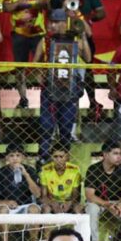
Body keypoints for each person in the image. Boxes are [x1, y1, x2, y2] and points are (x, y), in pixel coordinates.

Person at [35, 9, 91, 154]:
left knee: (66, 128)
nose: (52, 25)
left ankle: (64, 158)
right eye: (51, 22)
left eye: (56, 22)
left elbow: (88, 58)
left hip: (69, 89)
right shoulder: (45, 41)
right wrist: (39, 73)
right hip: (49, 89)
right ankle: (44, 157)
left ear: (65, 23)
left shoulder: (75, 40)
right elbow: (35, 63)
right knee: (46, 127)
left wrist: (83, 36)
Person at [0, 145, 43, 241]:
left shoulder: (30, 170)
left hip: (26, 206)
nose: (15, 158)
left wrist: (26, 175)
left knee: (34, 209)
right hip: (8, 208)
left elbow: (37, 194)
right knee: (2, 209)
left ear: (23, 157)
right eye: (12, 155)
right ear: (7, 158)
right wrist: (6, 202)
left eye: (18, 155)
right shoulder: (0, 173)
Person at [3, 0, 49, 108]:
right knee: (20, 69)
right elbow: (6, 8)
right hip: (19, 34)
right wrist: (18, 3)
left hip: (38, 34)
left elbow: (47, 5)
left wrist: (38, 2)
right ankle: (23, 100)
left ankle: (45, 100)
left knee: (42, 67)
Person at [39, 143, 82, 215]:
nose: (58, 159)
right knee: (46, 208)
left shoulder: (75, 169)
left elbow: (75, 194)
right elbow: (44, 195)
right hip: (51, 201)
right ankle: (46, 223)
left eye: (61, 156)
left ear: (67, 156)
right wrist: (52, 203)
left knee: (78, 208)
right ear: (51, 157)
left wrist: (69, 203)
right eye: (55, 156)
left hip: (69, 201)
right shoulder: (45, 170)